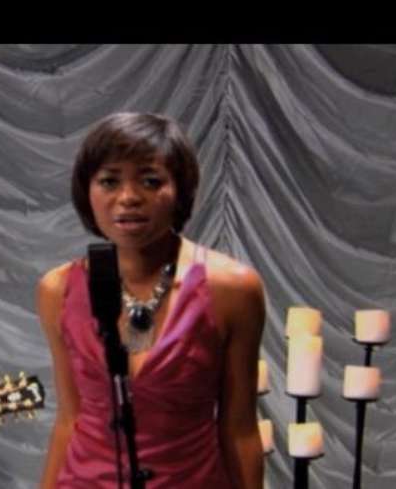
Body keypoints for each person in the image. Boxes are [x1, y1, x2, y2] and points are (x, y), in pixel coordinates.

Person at [37, 112, 265, 488]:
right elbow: (68, 419)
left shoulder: (232, 289)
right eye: (109, 181)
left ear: (180, 190)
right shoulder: (57, 290)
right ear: (86, 191)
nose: (128, 198)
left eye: (150, 181)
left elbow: (239, 431)